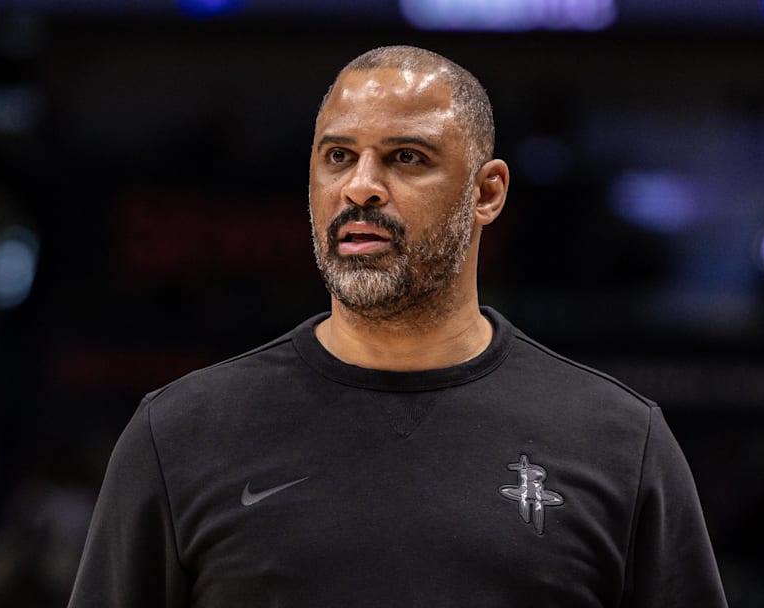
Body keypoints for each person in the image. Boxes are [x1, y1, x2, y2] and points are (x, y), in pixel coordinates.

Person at [67, 45, 728, 607]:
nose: (361, 187)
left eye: (406, 158)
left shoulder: (618, 442)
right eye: (337, 157)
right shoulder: (180, 433)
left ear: (486, 192)